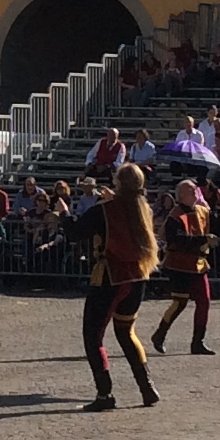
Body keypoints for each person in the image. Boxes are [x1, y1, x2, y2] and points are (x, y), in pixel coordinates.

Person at [75, 163, 161, 412]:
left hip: (110, 277)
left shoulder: (105, 210)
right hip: (137, 276)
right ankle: (147, 387)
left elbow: (76, 231)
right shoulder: (142, 208)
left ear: (119, 183)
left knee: (93, 336)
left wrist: (63, 213)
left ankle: (105, 393)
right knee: (126, 332)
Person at [149, 179, 216, 357]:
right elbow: (178, 241)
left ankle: (198, 341)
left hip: (198, 264)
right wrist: (203, 240)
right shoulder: (175, 216)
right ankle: (160, 334)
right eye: (191, 190)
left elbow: (215, 226)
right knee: (180, 303)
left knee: (204, 301)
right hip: (180, 265)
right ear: (182, 195)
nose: (196, 192)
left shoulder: (203, 211)